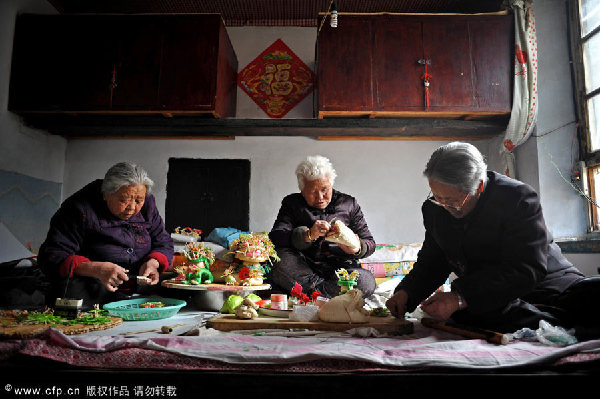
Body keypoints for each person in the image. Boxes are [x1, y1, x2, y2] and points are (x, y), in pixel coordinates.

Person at [386, 142, 600, 339]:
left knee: (590, 296)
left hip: (548, 288)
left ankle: (558, 319)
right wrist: (407, 292)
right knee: (469, 315)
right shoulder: (435, 210)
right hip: (494, 301)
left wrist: (460, 298)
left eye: (452, 201)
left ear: (478, 187)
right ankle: (558, 323)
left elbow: (527, 269)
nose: (444, 207)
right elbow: (433, 260)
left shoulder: (517, 198)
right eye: (437, 197)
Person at [38, 162, 174, 307]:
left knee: (183, 284)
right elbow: (53, 255)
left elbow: (164, 242)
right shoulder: (79, 208)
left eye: (138, 200)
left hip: (139, 284)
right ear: (106, 194)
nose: (132, 208)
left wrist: (153, 263)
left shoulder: (148, 204)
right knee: (70, 293)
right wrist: (97, 269)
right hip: (94, 285)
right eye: (124, 200)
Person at [269, 155, 376, 298]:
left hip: (341, 271)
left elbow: (369, 242)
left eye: (325, 189)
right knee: (276, 260)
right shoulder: (292, 203)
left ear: (331, 184)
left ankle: (310, 294)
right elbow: (276, 237)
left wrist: (357, 248)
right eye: (312, 192)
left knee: (365, 281)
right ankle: (326, 294)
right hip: (304, 268)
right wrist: (307, 235)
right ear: (302, 191)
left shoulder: (349, 204)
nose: (320, 197)